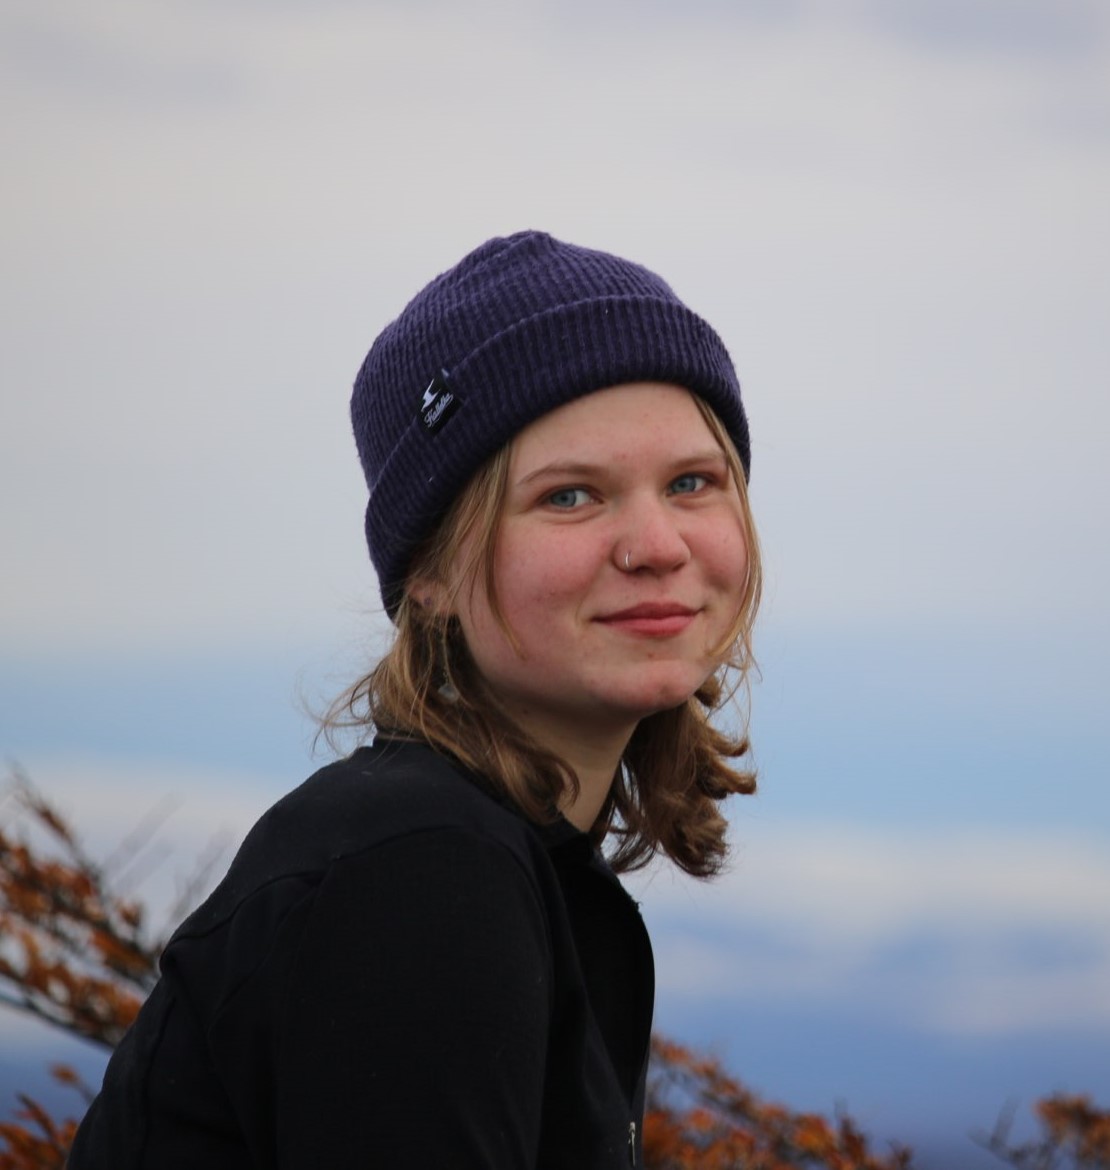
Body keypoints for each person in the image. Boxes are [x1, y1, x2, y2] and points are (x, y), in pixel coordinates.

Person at [67, 230, 762, 1169]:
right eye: (569, 498)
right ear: (429, 570)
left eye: (692, 483)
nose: (655, 543)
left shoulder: (497, 854)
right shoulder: (420, 871)